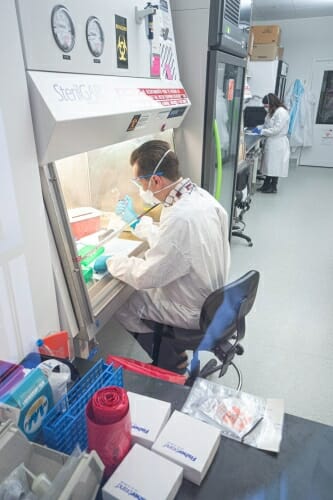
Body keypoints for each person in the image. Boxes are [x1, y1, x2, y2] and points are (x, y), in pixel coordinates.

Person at [96, 140, 230, 371]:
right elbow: (177, 247)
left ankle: (171, 361)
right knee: (137, 291)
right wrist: (139, 224)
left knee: (122, 302)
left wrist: (111, 262)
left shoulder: (180, 217)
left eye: (140, 182)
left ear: (156, 180)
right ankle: (171, 353)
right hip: (213, 300)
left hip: (192, 309)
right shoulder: (198, 196)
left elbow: (147, 276)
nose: (141, 189)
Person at [257, 93, 290, 194]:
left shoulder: (281, 112)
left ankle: (273, 187)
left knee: (275, 166)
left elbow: (276, 129)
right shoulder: (272, 111)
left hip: (278, 142)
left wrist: (261, 132)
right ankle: (266, 185)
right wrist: (258, 128)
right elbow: (267, 125)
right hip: (272, 141)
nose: (265, 108)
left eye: (266, 105)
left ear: (271, 103)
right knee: (269, 165)